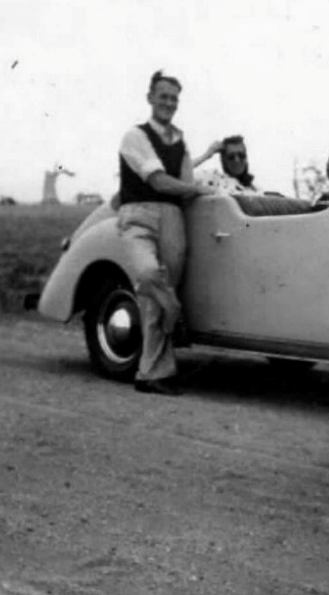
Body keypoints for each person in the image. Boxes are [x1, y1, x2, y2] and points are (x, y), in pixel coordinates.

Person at [118, 70, 213, 395]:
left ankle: (151, 373)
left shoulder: (180, 140)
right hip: (139, 215)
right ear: (150, 98)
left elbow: (186, 187)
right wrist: (192, 188)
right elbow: (158, 181)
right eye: (163, 96)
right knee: (147, 274)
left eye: (174, 98)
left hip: (173, 217)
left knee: (154, 299)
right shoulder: (135, 136)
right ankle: (176, 312)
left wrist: (198, 190)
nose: (169, 103)